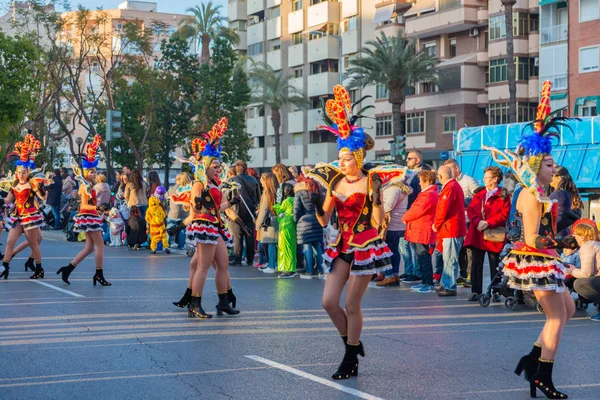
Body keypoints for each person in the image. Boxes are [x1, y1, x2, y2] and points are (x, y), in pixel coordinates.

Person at [305, 85, 405, 380]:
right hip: (341, 244)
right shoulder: (335, 182)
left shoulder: (370, 182)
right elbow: (325, 221)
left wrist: (376, 199)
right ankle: (353, 343)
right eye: (340, 156)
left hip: (365, 245)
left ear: (359, 157)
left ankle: (349, 358)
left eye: (347, 157)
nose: (342, 161)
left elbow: (378, 222)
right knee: (328, 302)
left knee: (351, 303)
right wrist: (315, 205)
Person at [488, 81, 576, 399]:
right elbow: (532, 238)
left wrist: (564, 239)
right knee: (556, 316)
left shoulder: (542, 192)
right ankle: (542, 375)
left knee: (565, 311)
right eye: (550, 165)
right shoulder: (530, 195)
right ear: (537, 167)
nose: (555, 169)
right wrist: (562, 243)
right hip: (535, 260)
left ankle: (531, 361)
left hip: (547, 258)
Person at [177, 117, 240, 318]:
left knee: (223, 265)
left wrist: (230, 204)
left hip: (215, 227)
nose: (218, 169)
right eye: (215, 166)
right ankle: (194, 303)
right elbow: (196, 205)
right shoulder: (199, 183)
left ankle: (223, 302)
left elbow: (217, 209)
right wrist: (199, 201)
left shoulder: (214, 185)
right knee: (202, 266)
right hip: (204, 226)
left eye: (219, 166)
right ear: (206, 167)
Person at [56, 135, 111, 286]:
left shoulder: (89, 185)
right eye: (91, 171)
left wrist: (99, 209)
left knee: (89, 248)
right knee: (99, 246)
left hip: (90, 216)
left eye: (95, 171)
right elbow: (84, 206)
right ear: (85, 172)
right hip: (89, 216)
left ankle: (67, 269)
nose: (94, 174)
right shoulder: (85, 185)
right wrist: (99, 208)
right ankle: (99, 274)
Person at [0, 135, 48, 280]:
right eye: (20, 171)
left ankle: (39, 269)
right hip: (17, 216)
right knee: (9, 241)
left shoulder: (32, 184)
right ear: (17, 172)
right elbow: (8, 199)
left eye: (24, 172)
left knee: (34, 243)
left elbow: (42, 197)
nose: (22, 174)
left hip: (30, 216)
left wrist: (42, 189)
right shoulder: (15, 184)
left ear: (28, 172)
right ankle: (5, 267)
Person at [464, 167, 511, 301]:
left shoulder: (503, 195)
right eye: (484, 178)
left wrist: (488, 222)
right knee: (476, 263)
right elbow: (471, 209)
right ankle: (476, 291)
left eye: (487, 178)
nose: (484, 180)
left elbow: (504, 214)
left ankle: (495, 291)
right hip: (478, 232)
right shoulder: (479, 194)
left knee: (494, 264)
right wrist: (477, 221)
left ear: (495, 179)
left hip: (494, 234)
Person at [444, 158, 481, 285]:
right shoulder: (449, 182)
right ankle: (463, 273)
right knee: (459, 250)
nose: (448, 172)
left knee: (469, 249)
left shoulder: (469, 181)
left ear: (457, 169)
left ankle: (470, 276)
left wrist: (463, 201)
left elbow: (478, 198)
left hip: (468, 221)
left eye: (450, 169)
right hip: (457, 222)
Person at [402, 170, 439, 293]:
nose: (419, 183)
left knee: (423, 257)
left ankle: (428, 282)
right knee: (421, 256)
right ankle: (424, 281)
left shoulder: (428, 194)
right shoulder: (429, 193)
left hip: (422, 229)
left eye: (420, 181)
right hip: (419, 229)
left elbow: (417, 210)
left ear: (427, 181)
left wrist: (405, 217)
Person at [433, 165, 467, 297]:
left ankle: (450, 286)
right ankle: (447, 283)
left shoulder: (450, 188)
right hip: (451, 228)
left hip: (451, 228)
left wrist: (436, 224)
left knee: (450, 258)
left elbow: (443, 209)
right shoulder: (452, 186)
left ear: (440, 176)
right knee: (448, 258)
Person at [400, 150, 432, 283]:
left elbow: (421, 195)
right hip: (406, 211)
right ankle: (409, 270)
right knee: (404, 245)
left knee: (416, 247)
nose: (407, 161)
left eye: (409, 159)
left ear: (418, 160)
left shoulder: (424, 173)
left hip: (415, 214)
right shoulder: (406, 173)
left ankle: (418, 273)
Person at [376, 176, 412, 287]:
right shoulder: (401, 189)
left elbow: (388, 206)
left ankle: (389, 276)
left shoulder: (393, 189)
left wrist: (378, 203)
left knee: (386, 251)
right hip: (398, 225)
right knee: (394, 251)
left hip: (391, 226)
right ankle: (395, 275)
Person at [229, 160, 260, 266]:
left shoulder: (232, 180)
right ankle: (250, 257)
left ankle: (237, 257)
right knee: (249, 234)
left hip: (235, 210)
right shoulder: (253, 180)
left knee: (237, 235)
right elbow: (258, 196)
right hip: (250, 210)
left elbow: (227, 197)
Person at [293, 174, 324, 278]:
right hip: (317, 219)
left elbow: (296, 210)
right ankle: (321, 269)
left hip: (304, 221)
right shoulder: (318, 193)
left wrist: (296, 221)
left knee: (306, 246)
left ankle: (309, 271)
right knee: (317, 246)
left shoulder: (299, 193)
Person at [568, 223, 600, 321]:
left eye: (575, 234)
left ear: (582, 237)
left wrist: (571, 270)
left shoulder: (587, 246)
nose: (573, 236)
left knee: (579, 284)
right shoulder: (595, 244)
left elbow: (586, 274)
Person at [256, 173, 279, 273]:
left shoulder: (267, 193)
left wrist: (258, 224)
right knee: (276, 244)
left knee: (270, 243)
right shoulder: (278, 191)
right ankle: (277, 264)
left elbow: (264, 210)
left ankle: (272, 265)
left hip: (269, 221)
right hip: (278, 219)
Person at [550, 167, 583, 235]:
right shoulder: (568, 193)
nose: (550, 178)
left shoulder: (557, 194)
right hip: (566, 233)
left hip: (557, 234)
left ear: (559, 178)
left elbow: (556, 218)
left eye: (552, 176)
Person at [273, 182, 296, 278]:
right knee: (290, 246)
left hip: (286, 223)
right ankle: (289, 267)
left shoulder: (287, 201)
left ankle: (287, 269)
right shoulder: (294, 199)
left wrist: (277, 204)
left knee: (285, 246)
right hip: (290, 223)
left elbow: (279, 210)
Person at [167, 173, 191, 250]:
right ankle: (181, 245)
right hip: (185, 214)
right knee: (182, 230)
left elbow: (165, 196)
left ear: (179, 180)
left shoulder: (173, 189)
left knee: (170, 227)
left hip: (174, 214)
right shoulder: (189, 188)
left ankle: (167, 244)